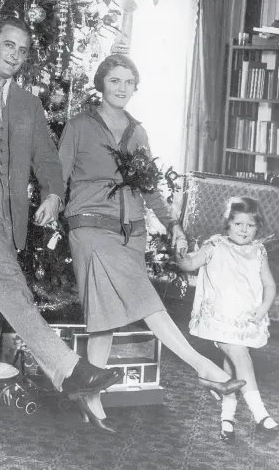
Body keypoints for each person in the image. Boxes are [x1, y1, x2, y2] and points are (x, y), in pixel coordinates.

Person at [0, 14, 123, 438]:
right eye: (8, 45)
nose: (15, 55)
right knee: (12, 289)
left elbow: (47, 159)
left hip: (7, 218)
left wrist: (52, 192)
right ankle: (66, 368)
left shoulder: (28, 104)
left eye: (23, 50)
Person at [58, 53, 246, 434]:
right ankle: (204, 369)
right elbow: (57, 176)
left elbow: (149, 188)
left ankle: (90, 401)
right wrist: (50, 207)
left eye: (129, 82)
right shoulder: (79, 126)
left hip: (131, 233)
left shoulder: (137, 132)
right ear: (101, 83)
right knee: (146, 299)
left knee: (104, 319)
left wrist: (174, 225)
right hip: (90, 228)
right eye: (115, 81)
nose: (123, 89)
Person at [177, 196, 278, 442]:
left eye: (250, 225)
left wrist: (264, 308)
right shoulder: (215, 245)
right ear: (228, 223)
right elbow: (189, 265)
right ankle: (260, 413)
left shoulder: (258, 251)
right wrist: (180, 254)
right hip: (219, 319)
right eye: (238, 223)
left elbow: (270, 285)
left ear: (257, 228)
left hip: (243, 320)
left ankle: (227, 419)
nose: (244, 229)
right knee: (240, 356)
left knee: (232, 366)